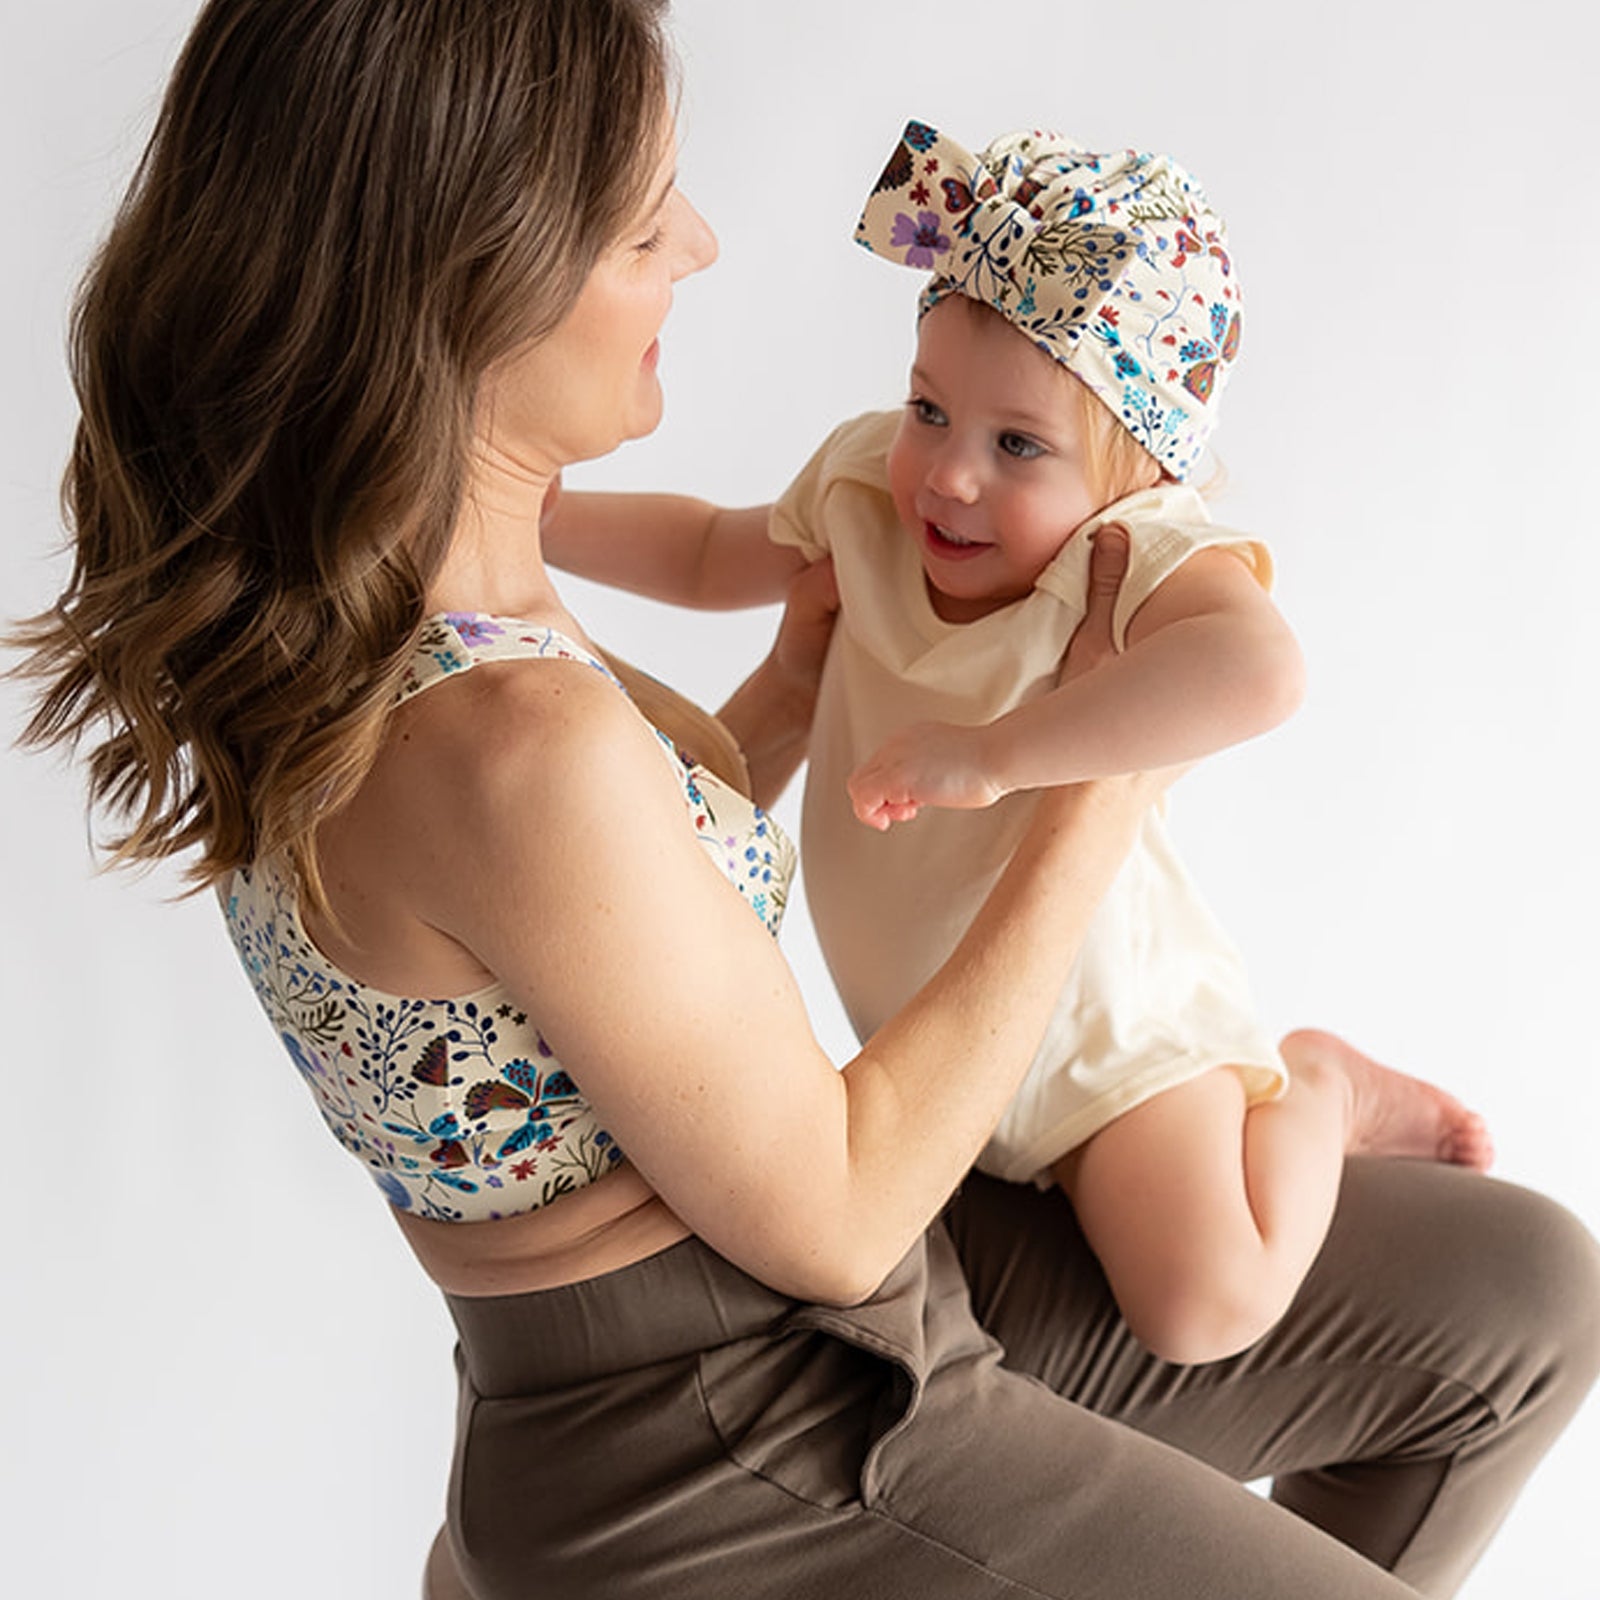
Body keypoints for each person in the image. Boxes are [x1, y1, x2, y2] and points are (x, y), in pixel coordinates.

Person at [10, 6, 1597, 1598]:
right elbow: (834, 1213)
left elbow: (594, 928)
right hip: (734, 1422)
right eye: (644, 224)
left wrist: (786, 690)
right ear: (472, 277)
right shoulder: (504, 738)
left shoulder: (409, 620)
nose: (697, 245)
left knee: (1527, 1293)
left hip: (818, 1311)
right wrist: (1087, 789)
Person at [759, 121, 1496, 1365]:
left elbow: (1263, 670)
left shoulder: (1124, 555)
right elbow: (706, 547)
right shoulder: (863, 502)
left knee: (1202, 1306)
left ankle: (1316, 1086)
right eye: (928, 409)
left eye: (1018, 446)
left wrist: (997, 753)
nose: (948, 477)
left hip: (1110, 1044)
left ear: (1139, 472)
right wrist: (528, 506)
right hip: (947, 1049)